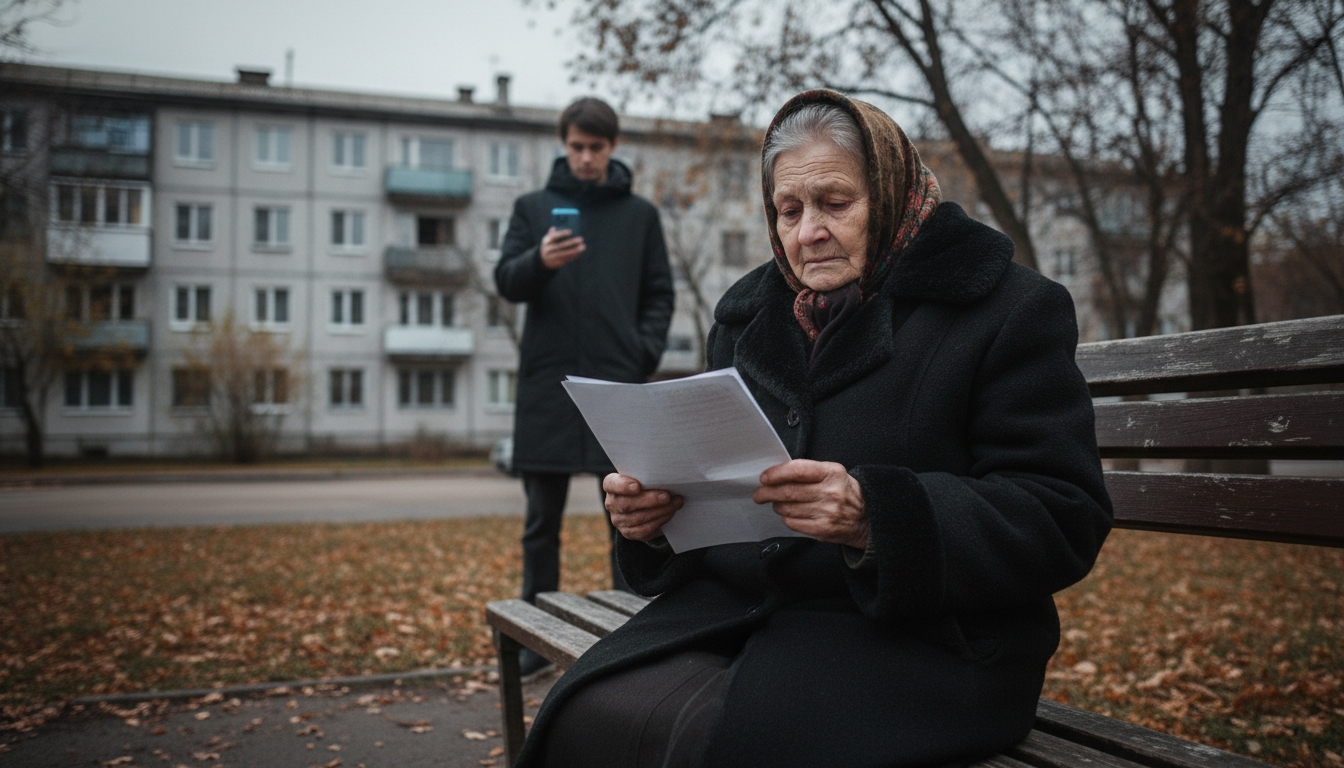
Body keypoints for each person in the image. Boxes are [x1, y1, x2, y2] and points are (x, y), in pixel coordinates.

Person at [513, 90, 1114, 768]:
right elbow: (714, 499)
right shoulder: (748, 317)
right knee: (587, 715)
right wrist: (652, 523)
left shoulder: (1005, 307)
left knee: (713, 740)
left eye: (835, 203)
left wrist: (874, 516)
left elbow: (1062, 513)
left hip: (927, 640)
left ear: (891, 193)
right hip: (743, 612)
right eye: (790, 210)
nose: (807, 233)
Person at [494, 97, 675, 675]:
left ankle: (634, 634)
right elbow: (507, 281)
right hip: (547, 388)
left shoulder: (640, 216)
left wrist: (640, 353)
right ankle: (533, 640)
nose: (587, 157)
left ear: (613, 147)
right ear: (564, 145)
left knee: (628, 518)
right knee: (540, 526)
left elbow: (659, 293)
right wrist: (539, 260)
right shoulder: (532, 208)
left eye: (596, 147)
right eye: (577, 147)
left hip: (614, 386)